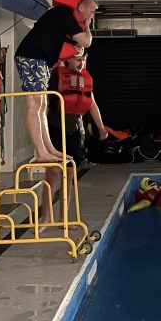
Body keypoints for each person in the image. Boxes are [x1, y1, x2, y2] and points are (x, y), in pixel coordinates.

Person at [15, 0, 95, 163]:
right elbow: (87, 41)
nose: (92, 14)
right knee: (34, 104)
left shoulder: (64, 17)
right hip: (31, 58)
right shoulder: (64, 13)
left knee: (42, 105)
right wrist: (87, 25)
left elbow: (71, 44)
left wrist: (75, 48)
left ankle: (49, 148)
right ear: (81, 8)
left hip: (41, 61)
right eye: (92, 10)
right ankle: (40, 152)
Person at [42, 52, 108, 222]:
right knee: (52, 174)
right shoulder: (56, 75)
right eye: (78, 59)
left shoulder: (84, 78)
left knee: (70, 176)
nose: (82, 63)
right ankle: (46, 217)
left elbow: (92, 105)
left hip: (75, 131)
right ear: (67, 59)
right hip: (56, 129)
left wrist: (101, 129)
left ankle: (64, 219)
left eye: (84, 59)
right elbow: (41, 104)